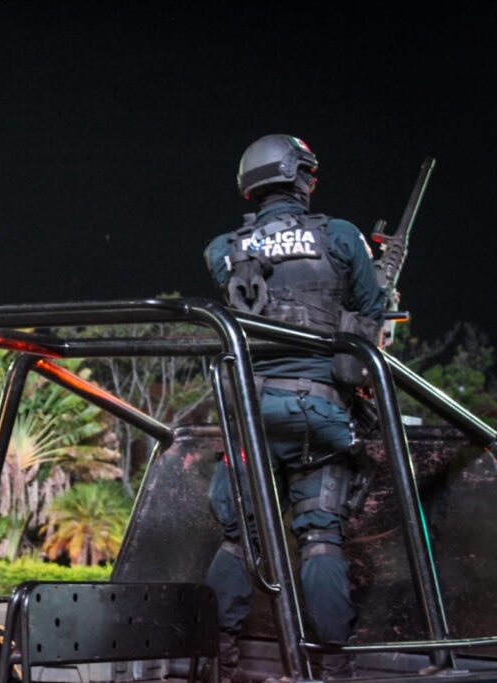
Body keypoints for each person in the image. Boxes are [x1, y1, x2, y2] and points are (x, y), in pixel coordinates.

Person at [203, 135, 385, 681]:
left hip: (251, 417)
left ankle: (218, 652)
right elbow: (370, 317)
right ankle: (331, 665)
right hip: (318, 414)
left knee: (240, 539)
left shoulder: (222, 248)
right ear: (299, 176)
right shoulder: (341, 237)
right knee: (319, 536)